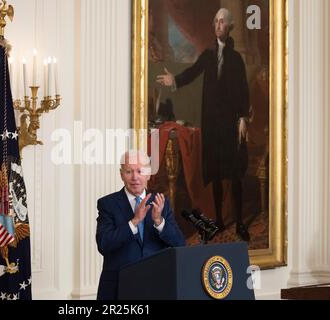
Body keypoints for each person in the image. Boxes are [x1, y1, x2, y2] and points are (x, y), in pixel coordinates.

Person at [156, 8, 250, 241]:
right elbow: (193, 72)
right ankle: (218, 220)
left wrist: (242, 119)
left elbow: (243, 91)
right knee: (216, 174)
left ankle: (239, 223)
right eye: (216, 21)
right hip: (212, 124)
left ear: (230, 27)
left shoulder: (236, 59)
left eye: (223, 22)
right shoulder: (208, 55)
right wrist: (174, 80)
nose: (219, 25)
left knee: (235, 174)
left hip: (231, 123)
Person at [96, 150, 185, 300]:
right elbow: (104, 244)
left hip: (156, 286)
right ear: (121, 174)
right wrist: (134, 222)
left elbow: (179, 243)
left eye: (140, 171)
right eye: (129, 171)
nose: (135, 177)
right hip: (119, 287)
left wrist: (159, 222)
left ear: (148, 174)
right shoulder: (107, 204)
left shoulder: (161, 202)